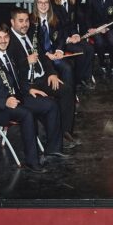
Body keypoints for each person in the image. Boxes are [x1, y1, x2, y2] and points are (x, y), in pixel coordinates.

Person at [0, 24, 65, 173]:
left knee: (50, 104)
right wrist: (4, 101)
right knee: (26, 114)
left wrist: (30, 89)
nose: (3, 41)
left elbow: (17, 80)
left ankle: (53, 149)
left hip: (17, 97)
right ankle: (32, 162)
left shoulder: (8, 54)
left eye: (5, 37)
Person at [7, 8, 77, 146]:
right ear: (12, 22)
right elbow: (10, 70)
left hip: (41, 78)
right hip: (27, 84)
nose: (25, 24)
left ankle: (65, 132)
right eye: (20, 21)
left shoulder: (31, 33)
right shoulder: (7, 41)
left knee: (66, 90)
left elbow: (44, 57)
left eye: (26, 20)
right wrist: (26, 62)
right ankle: (54, 135)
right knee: (49, 104)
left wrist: (52, 74)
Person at [52, 0, 96, 94]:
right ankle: (78, 80)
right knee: (81, 51)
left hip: (71, 36)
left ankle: (83, 77)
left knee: (90, 49)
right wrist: (68, 38)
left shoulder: (71, 2)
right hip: (59, 39)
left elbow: (72, 23)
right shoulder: (52, 4)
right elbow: (56, 28)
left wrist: (76, 34)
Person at [32, 0, 76, 92]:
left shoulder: (55, 19)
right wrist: (46, 54)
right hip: (41, 56)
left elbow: (61, 37)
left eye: (46, 2)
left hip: (54, 53)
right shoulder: (31, 22)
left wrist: (59, 50)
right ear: (36, 4)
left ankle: (69, 93)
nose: (43, 5)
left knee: (68, 67)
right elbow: (33, 43)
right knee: (54, 68)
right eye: (40, 3)